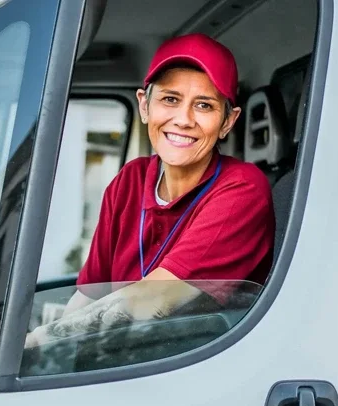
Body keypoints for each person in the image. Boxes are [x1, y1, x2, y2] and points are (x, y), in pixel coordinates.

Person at [25, 33, 274, 348]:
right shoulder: (130, 179)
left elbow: (151, 301)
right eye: (170, 99)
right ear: (144, 105)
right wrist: (41, 349)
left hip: (193, 368)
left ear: (227, 122)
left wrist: (37, 343)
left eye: (204, 105)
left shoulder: (244, 189)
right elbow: (89, 296)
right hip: (126, 362)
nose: (183, 120)